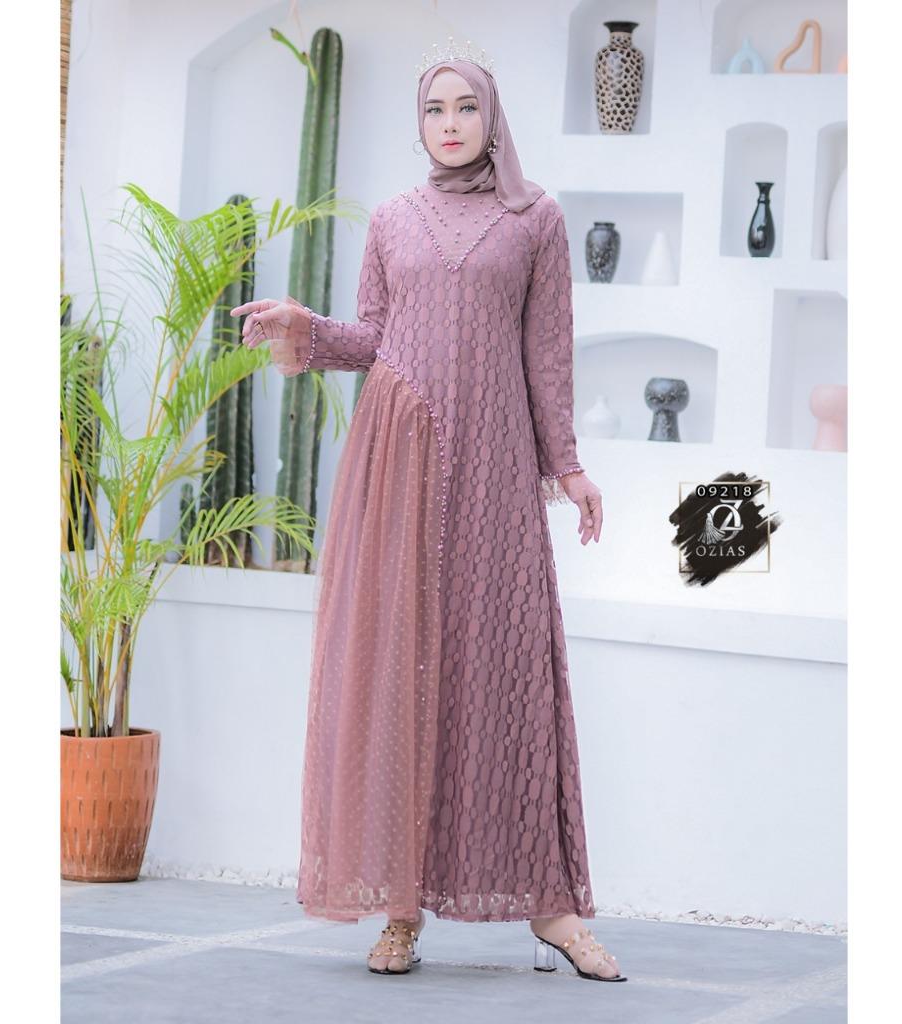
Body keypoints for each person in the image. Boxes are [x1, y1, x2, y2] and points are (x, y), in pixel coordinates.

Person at [231, 51, 623, 983]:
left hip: (496, 467)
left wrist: (568, 468)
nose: (450, 123)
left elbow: (547, 355)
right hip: (398, 459)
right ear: (420, 124)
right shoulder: (394, 219)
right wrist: (306, 329)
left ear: (493, 116)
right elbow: (375, 336)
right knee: (399, 675)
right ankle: (400, 910)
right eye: (435, 109)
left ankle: (552, 907)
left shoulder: (536, 219)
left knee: (506, 672)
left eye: (466, 107)